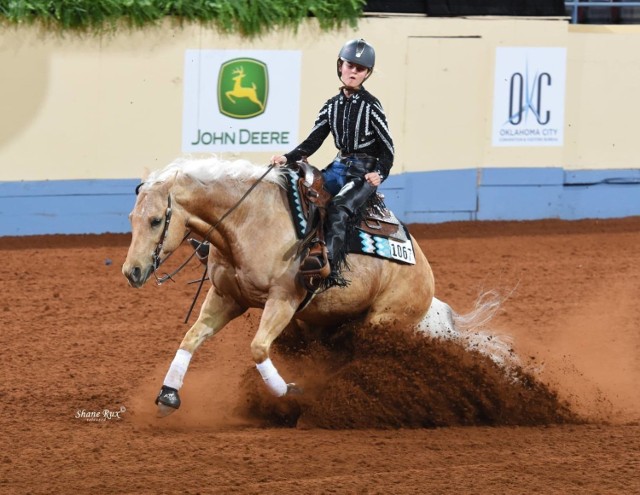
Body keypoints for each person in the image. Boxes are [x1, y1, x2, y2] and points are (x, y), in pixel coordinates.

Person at [271, 38, 394, 286]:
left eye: (360, 69)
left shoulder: (372, 106)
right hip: (338, 168)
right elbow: (313, 140)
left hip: (363, 173)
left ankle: (330, 270)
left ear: (366, 73)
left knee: (338, 207)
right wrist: (287, 157)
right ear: (340, 66)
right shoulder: (331, 105)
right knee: (300, 192)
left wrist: (380, 173)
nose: (353, 72)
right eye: (350, 65)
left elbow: (387, 146)